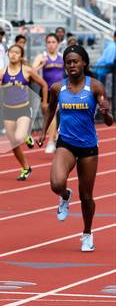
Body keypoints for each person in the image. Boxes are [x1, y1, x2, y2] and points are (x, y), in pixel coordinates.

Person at [37, 45, 113, 251]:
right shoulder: (57, 88)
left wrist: (105, 113)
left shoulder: (95, 86)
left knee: (87, 196)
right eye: (68, 62)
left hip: (88, 147)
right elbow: (51, 110)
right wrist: (43, 133)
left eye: (75, 61)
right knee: (56, 183)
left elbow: (109, 122)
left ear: (84, 63)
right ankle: (64, 196)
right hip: (66, 143)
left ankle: (87, 233)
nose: (71, 65)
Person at [0, 44, 48, 180]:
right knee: (14, 143)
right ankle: (26, 167)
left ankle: (26, 136)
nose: (13, 54)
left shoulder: (27, 71)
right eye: (11, 52)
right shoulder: (2, 72)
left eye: (16, 52)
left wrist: (44, 102)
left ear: (21, 56)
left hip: (23, 108)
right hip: (8, 110)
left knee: (19, 137)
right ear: (8, 54)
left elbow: (44, 85)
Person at [32, 33, 65, 154]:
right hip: (47, 91)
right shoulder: (42, 56)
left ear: (58, 43)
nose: (51, 45)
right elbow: (31, 72)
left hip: (61, 90)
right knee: (49, 116)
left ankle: (51, 141)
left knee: (52, 115)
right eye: (49, 42)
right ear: (46, 44)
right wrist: (41, 64)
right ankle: (54, 138)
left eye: (53, 42)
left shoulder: (62, 57)